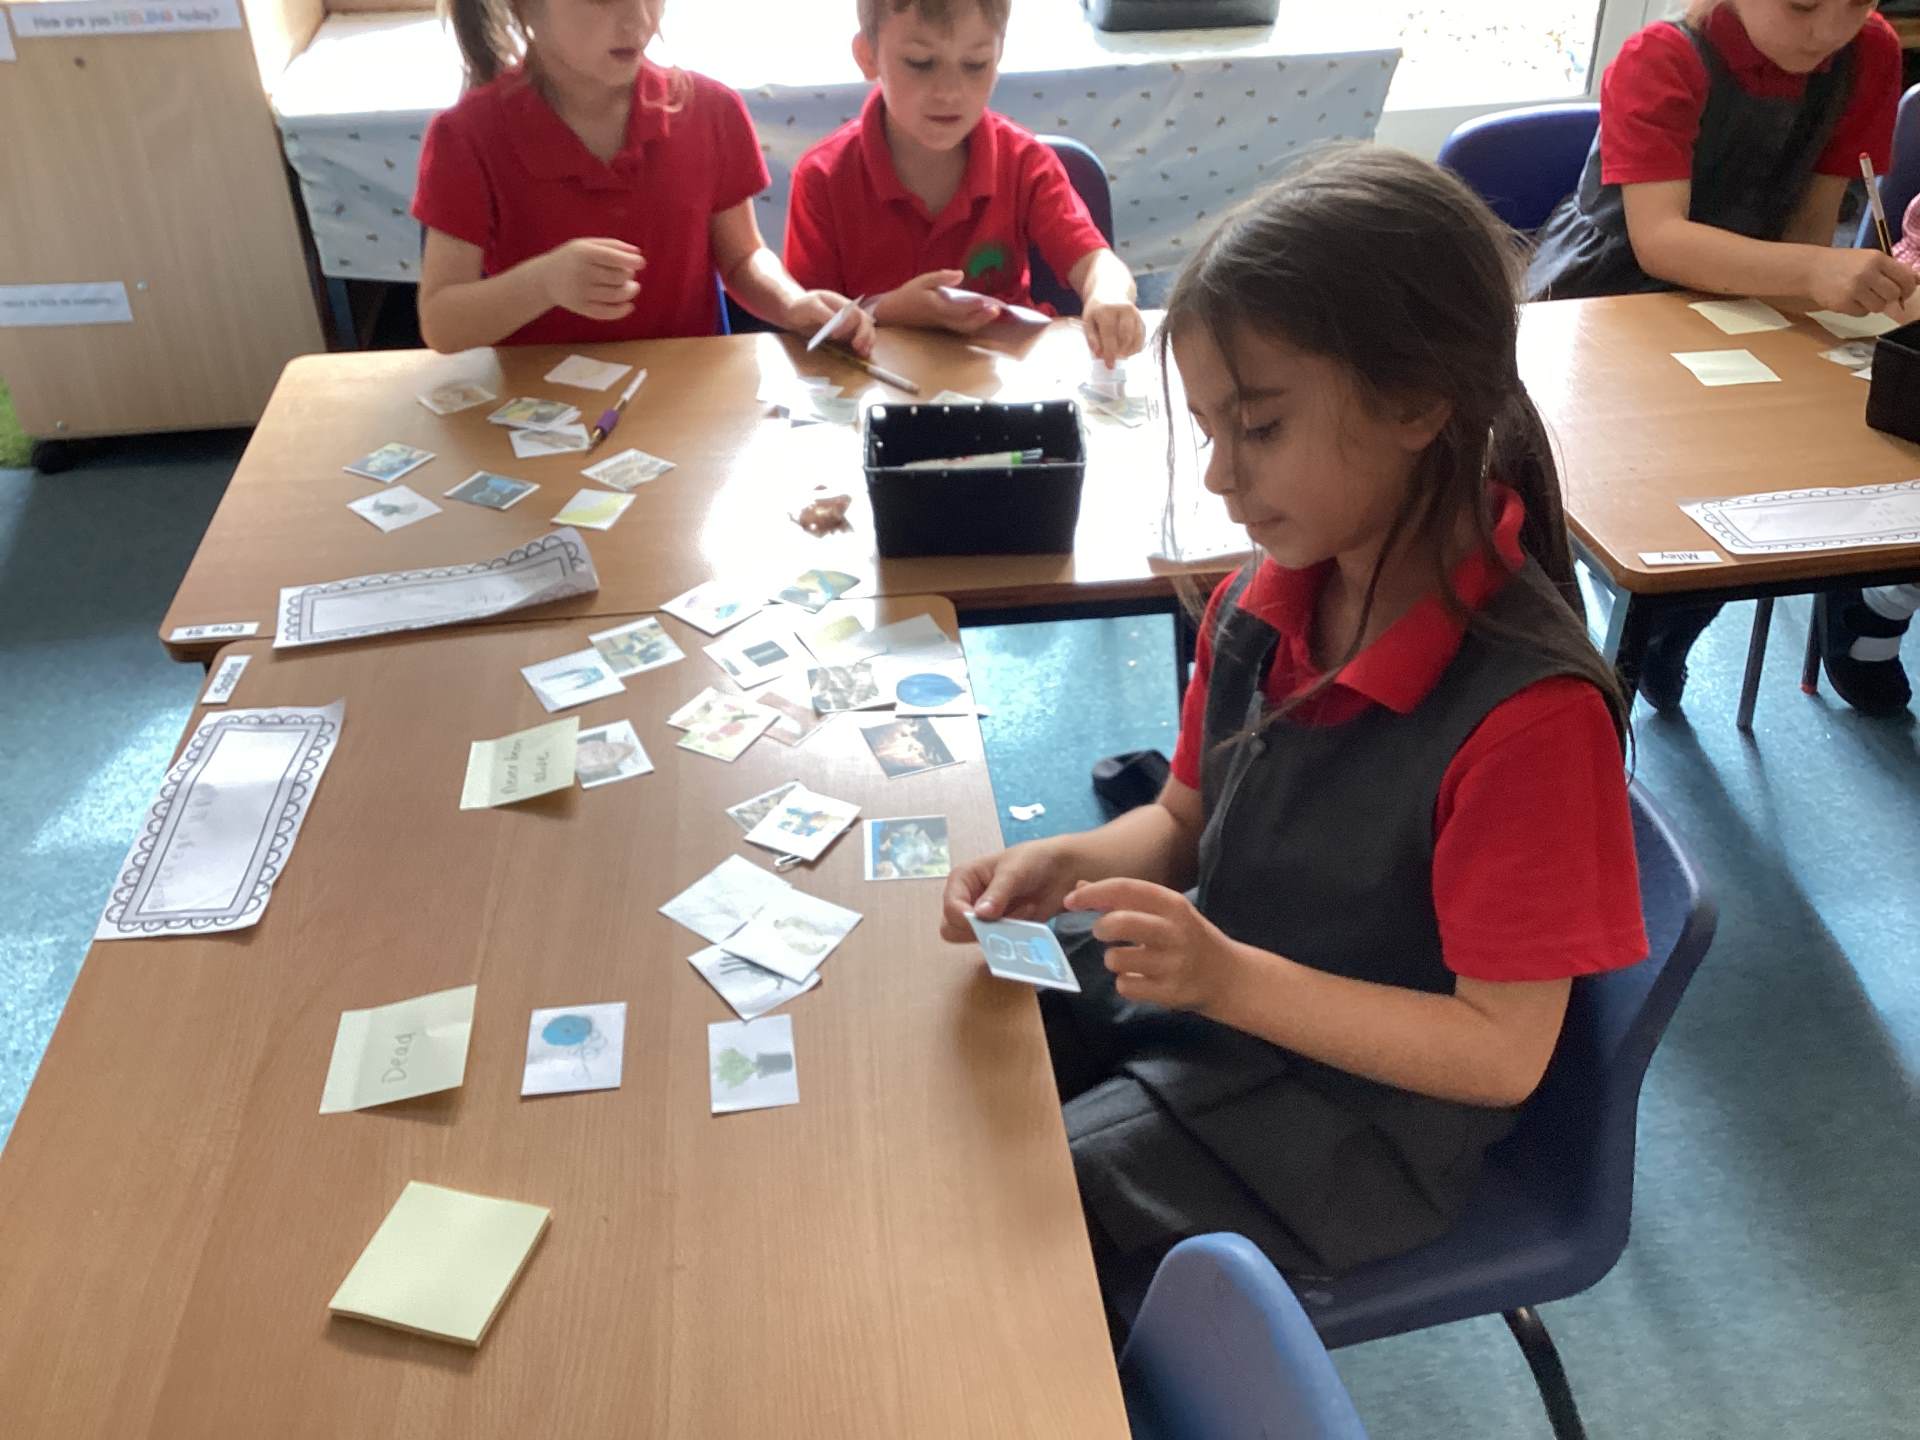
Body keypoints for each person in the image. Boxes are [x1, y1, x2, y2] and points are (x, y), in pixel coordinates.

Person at [941, 146, 1650, 1331]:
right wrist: (1068, 862)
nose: (1222, 476)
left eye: (1259, 428)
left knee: (1012, 1219)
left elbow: (1499, 1055)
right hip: (1226, 1014)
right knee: (971, 1050)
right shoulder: (1261, 602)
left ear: (1418, 404)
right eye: (1209, 432)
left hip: (1355, 1126)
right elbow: (1183, 821)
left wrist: (1227, 979)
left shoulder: (1530, 719)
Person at [1528, 0, 1915, 712]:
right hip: (1612, 298)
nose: (1829, 31)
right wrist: (1813, 271)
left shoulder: (1869, 52)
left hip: (1754, 292)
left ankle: (1669, 634)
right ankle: (1602, 650)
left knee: (1756, 472)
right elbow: (1659, 241)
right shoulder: (1661, 57)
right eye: (1802, 5)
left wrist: (1818, 281)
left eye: (1857, 4)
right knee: (1636, 497)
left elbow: (1810, 220)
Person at [412, 0, 874, 355]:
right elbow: (442, 323)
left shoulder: (711, 110)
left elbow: (742, 258)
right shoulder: (466, 136)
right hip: (540, 410)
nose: (638, 20)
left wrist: (792, 303)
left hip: (683, 397)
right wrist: (543, 284)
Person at [783, 0, 1146, 364]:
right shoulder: (822, 177)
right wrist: (890, 311)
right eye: (920, 63)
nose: (949, 93)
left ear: (998, 57)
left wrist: (1108, 294)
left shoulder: (1024, 162)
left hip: (1007, 377)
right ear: (867, 56)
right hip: (874, 381)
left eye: (975, 64)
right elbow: (809, 325)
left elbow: (1095, 261)